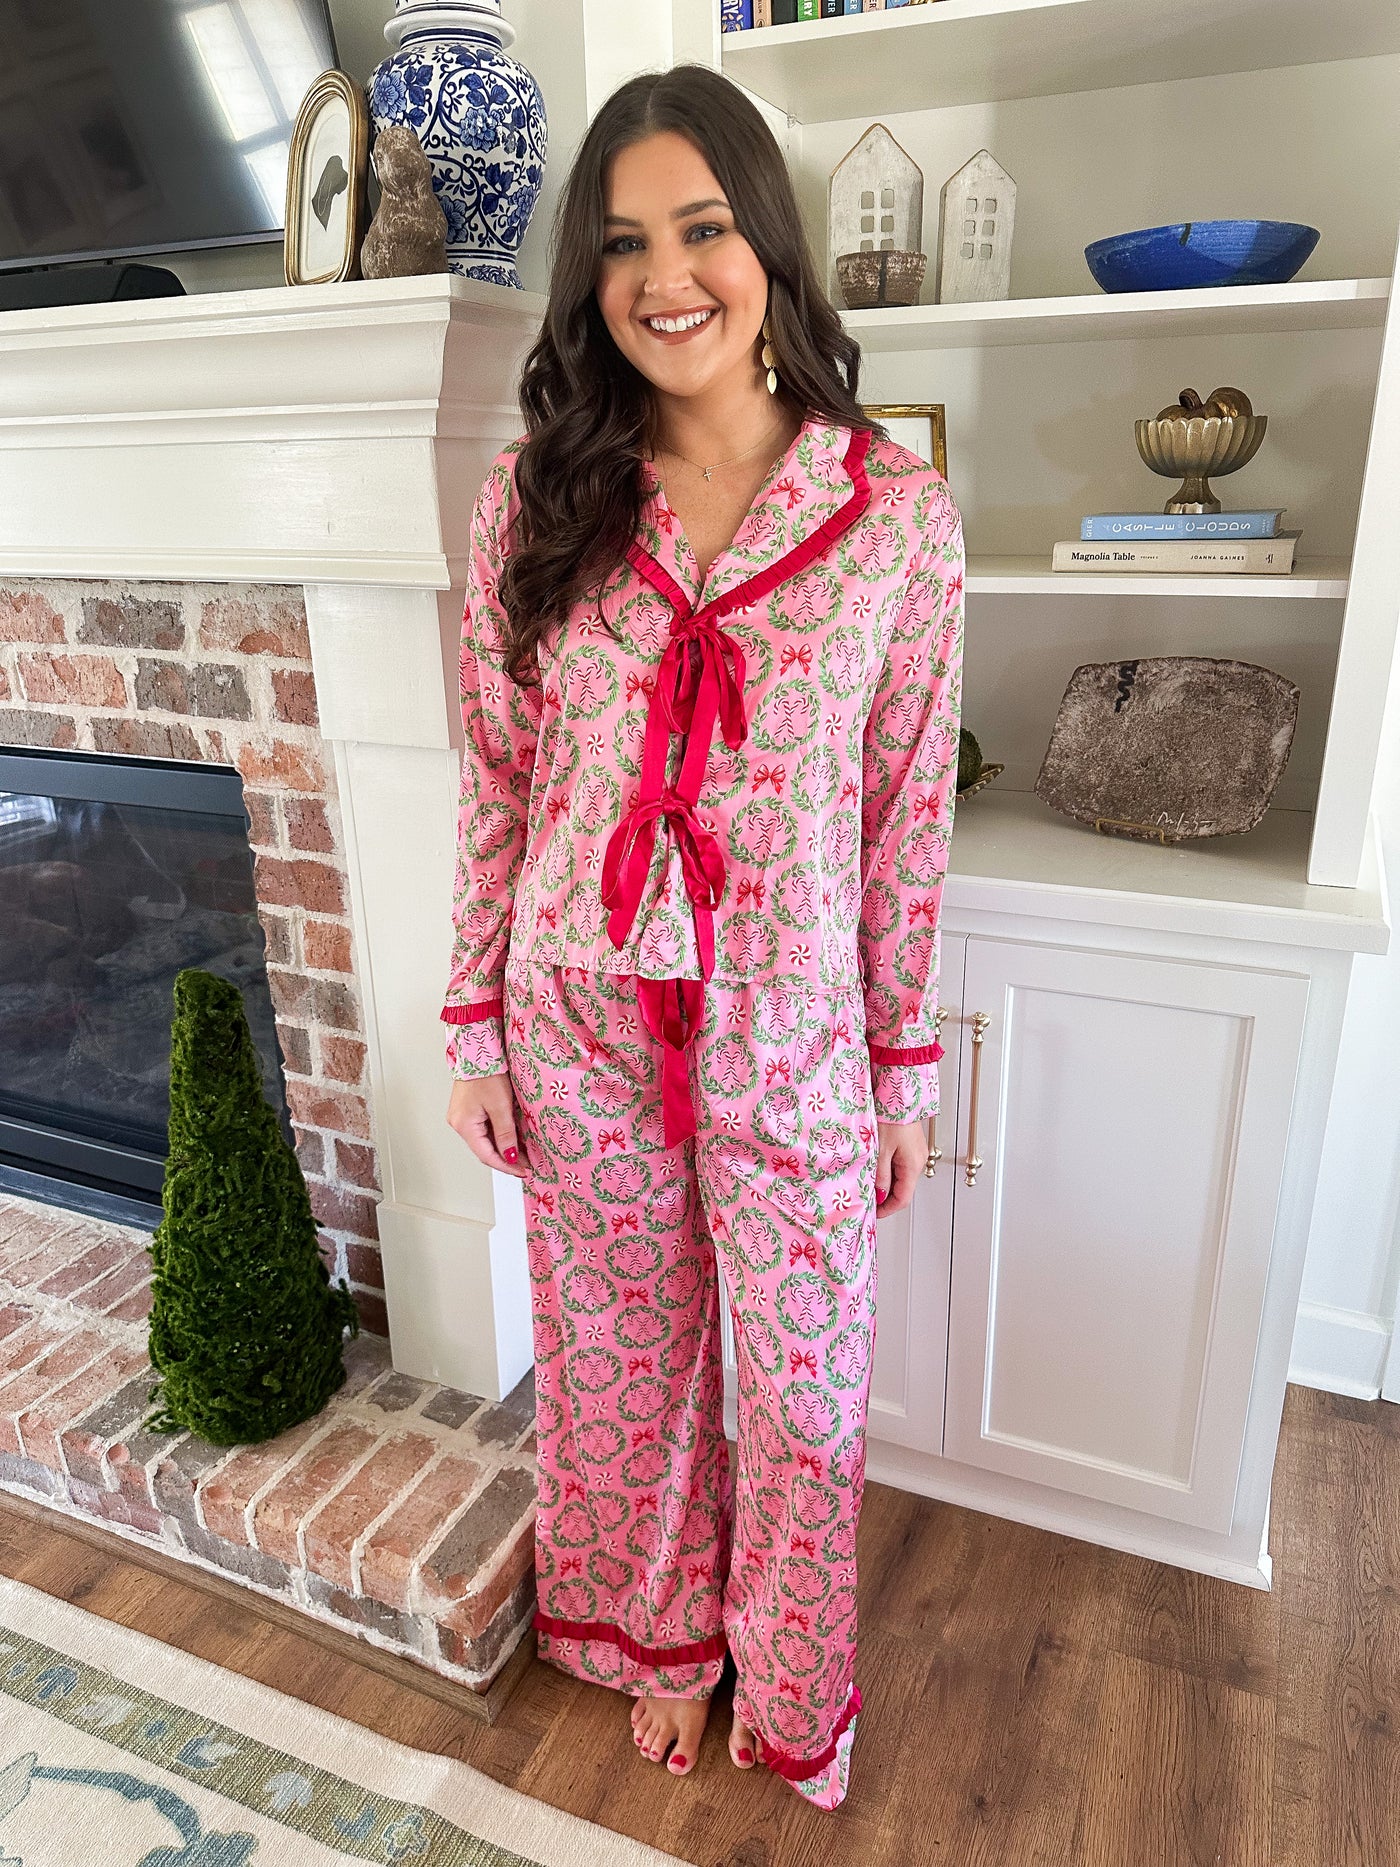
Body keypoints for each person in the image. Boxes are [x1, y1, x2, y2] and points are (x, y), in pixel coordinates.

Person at [443, 62, 964, 1813]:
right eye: (621, 247)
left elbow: (906, 821)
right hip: (578, 1012)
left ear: (769, 248)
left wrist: (901, 1069)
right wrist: (472, 1028)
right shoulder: (540, 497)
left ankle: (794, 1679)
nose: (666, 277)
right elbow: (496, 777)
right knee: (624, 1356)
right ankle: (659, 1636)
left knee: (804, 1387)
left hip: (796, 1026)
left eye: (704, 228)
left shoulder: (897, 520)